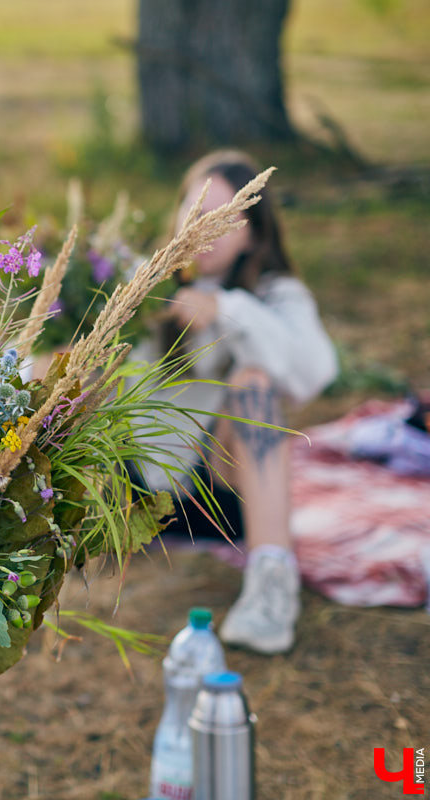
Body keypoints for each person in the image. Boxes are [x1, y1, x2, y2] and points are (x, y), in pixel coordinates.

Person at [135, 150, 338, 655]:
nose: (203, 230)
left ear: (251, 234)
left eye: (223, 220)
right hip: (135, 484)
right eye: (195, 212)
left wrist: (227, 310)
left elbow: (317, 371)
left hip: (218, 494)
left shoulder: (273, 295)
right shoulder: (147, 278)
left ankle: (271, 583)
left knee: (253, 385)